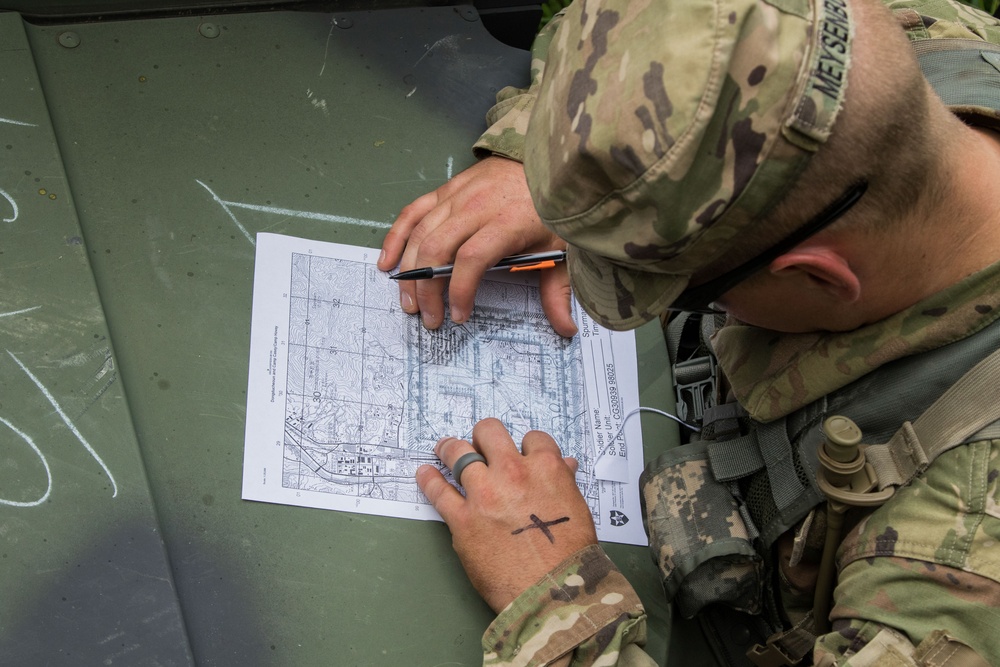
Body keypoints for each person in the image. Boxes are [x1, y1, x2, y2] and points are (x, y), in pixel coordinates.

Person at [379, 0, 1000, 664]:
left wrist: (560, 602)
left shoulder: (957, 552)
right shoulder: (910, 40)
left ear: (819, 275)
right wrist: (563, 175)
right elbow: (673, 38)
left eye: (683, 288)